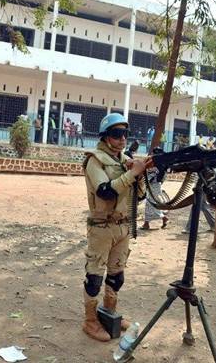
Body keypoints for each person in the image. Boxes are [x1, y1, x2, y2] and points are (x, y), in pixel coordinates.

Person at [81, 113, 147, 342]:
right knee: (94, 278)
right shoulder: (95, 160)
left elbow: (139, 197)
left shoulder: (125, 160)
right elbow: (105, 191)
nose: (122, 139)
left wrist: (141, 176)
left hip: (123, 226)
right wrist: (132, 173)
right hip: (102, 227)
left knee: (117, 276)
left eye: (125, 134)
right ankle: (90, 321)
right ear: (106, 136)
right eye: (116, 134)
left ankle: (108, 313)